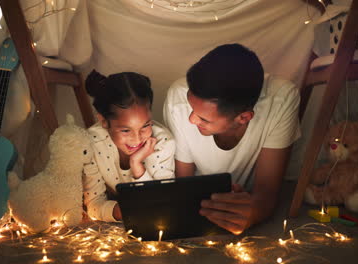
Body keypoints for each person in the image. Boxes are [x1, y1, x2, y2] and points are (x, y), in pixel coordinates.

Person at [163, 43, 300, 235]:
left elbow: (267, 191)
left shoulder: (281, 99)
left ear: (243, 118)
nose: (191, 119)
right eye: (191, 108)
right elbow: (183, 186)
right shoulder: (177, 97)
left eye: (203, 118)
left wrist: (255, 212)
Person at [83, 70, 175, 222]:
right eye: (126, 130)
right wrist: (125, 210)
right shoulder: (91, 143)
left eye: (145, 126)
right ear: (104, 121)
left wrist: (136, 164)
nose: (137, 139)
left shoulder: (163, 143)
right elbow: (93, 205)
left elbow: (162, 204)